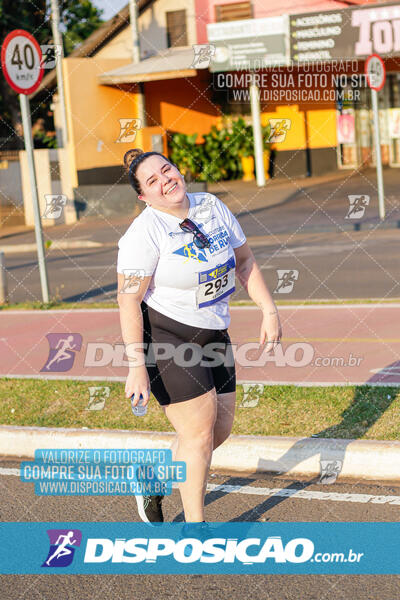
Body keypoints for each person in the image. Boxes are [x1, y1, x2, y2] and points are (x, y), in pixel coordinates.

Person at [117, 148, 282, 533]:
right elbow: (128, 299)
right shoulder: (144, 233)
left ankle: (153, 478)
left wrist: (269, 310)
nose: (165, 181)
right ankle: (196, 529)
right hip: (166, 335)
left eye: (167, 170)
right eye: (152, 181)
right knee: (197, 433)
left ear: (177, 169)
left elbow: (244, 262)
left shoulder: (211, 206)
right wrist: (136, 366)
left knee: (217, 431)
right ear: (144, 196)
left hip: (213, 332)